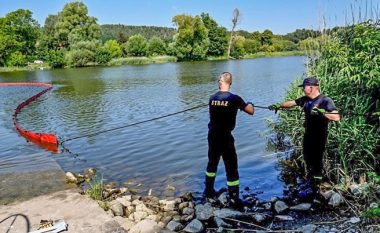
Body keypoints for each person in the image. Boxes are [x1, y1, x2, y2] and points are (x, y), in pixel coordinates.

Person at [268, 76, 340, 193]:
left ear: (311, 88)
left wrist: (323, 113)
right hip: (308, 134)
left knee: (317, 160)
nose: (302, 89)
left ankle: (317, 186)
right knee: (307, 157)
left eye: (304, 87)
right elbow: (292, 103)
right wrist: (279, 105)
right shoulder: (306, 99)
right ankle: (311, 181)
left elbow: (336, 117)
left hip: (319, 135)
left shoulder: (325, 100)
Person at [204, 72, 254, 207]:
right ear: (230, 82)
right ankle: (234, 198)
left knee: (212, 163)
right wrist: (249, 103)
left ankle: (208, 191)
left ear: (220, 82)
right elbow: (250, 111)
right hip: (225, 137)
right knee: (231, 166)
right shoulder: (235, 99)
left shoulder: (212, 98)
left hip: (212, 135)